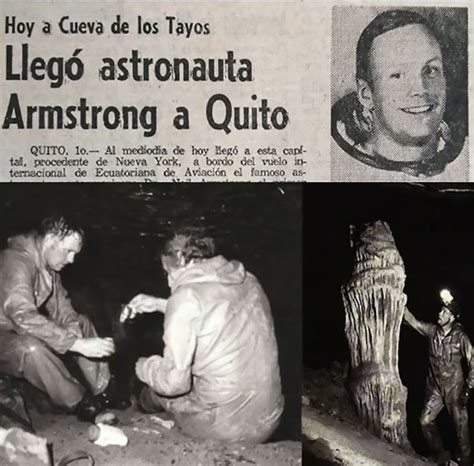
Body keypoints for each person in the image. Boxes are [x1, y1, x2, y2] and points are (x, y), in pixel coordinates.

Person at [121, 231, 284, 443]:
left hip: (224, 427)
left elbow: (174, 384)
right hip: (269, 419)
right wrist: (161, 304)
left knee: (156, 389)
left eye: (168, 272)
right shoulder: (249, 280)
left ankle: (134, 410)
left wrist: (142, 366)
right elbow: (217, 309)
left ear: (179, 259)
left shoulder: (184, 297)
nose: (170, 281)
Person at [0, 215, 126, 422]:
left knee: (82, 321)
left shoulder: (47, 266)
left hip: (18, 329)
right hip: (5, 335)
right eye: (68, 251)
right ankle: (81, 403)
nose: (71, 260)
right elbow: (21, 314)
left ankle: (103, 391)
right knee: (29, 348)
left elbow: (62, 307)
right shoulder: (15, 260)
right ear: (50, 239)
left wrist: (74, 330)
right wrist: (75, 344)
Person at [331, 9, 468, 181]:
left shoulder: (468, 159)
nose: (420, 88)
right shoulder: (339, 168)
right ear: (366, 95)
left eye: (431, 70)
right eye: (397, 75)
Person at [403, 289, 473, 465]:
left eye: (444, 312)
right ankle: (441, 455)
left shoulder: (460, 337)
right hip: (434, 387)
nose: (440, 314)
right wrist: (400, 303)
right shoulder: (432, 331)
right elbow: (415, 323)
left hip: (454, 388)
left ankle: (465, 461)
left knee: (460, 427)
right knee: (425, 420)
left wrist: (468, 389)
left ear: (452, 317)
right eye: (441, 310)